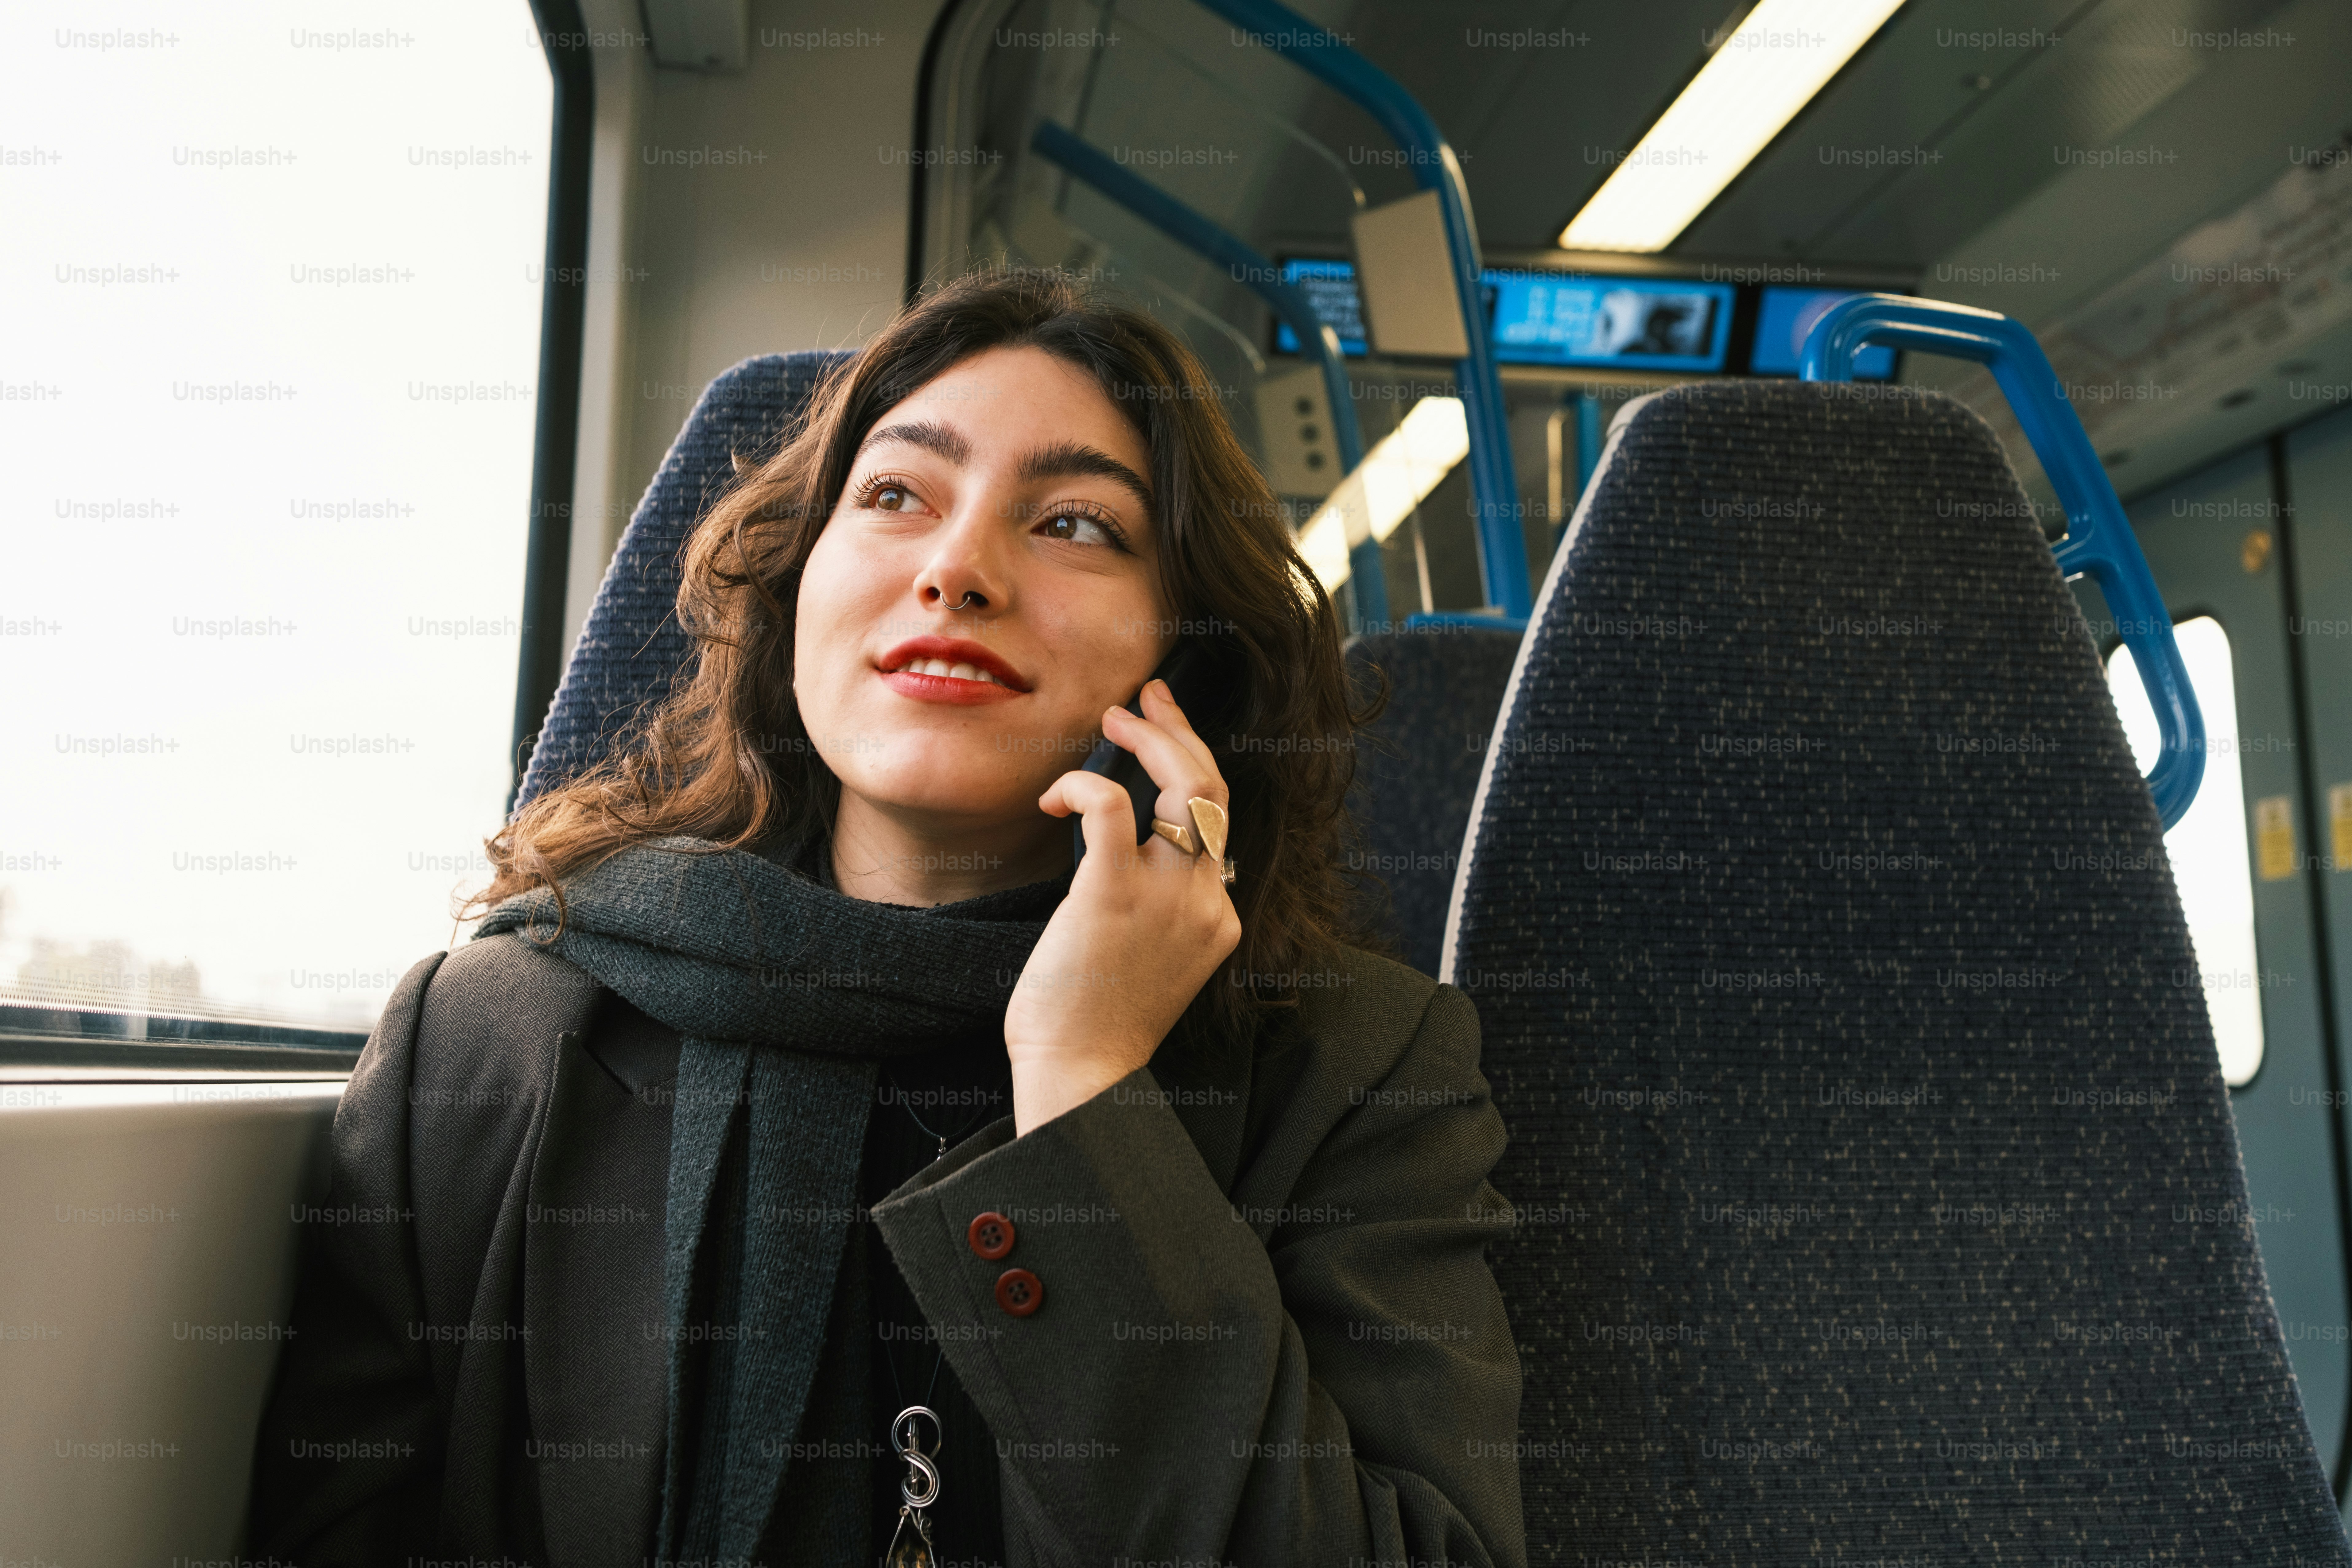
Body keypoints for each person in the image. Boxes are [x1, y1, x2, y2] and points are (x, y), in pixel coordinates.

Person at [248, 270, 1524, 1568]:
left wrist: (1086, 1096)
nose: (958, 568)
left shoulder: (1360, 1068)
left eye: (1076, 522)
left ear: (1182, 654)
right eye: (896, 495)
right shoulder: (483, 1040)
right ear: (797, 590)